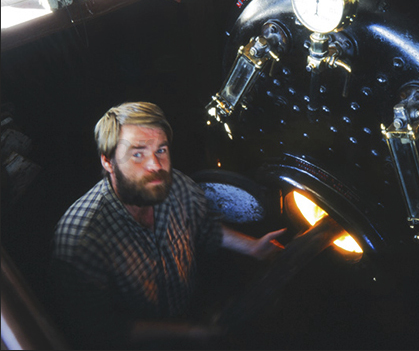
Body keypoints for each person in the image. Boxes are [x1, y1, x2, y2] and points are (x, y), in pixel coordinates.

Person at [50, 102, 286, 349]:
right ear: (108, 162)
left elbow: (203, 226)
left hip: (189, 311)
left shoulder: (175, 185)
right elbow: (100, 330)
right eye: (138, 153)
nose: (155, 165)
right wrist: (187, 333)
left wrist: (252, 247)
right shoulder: (80, 241)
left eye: (160, 150)